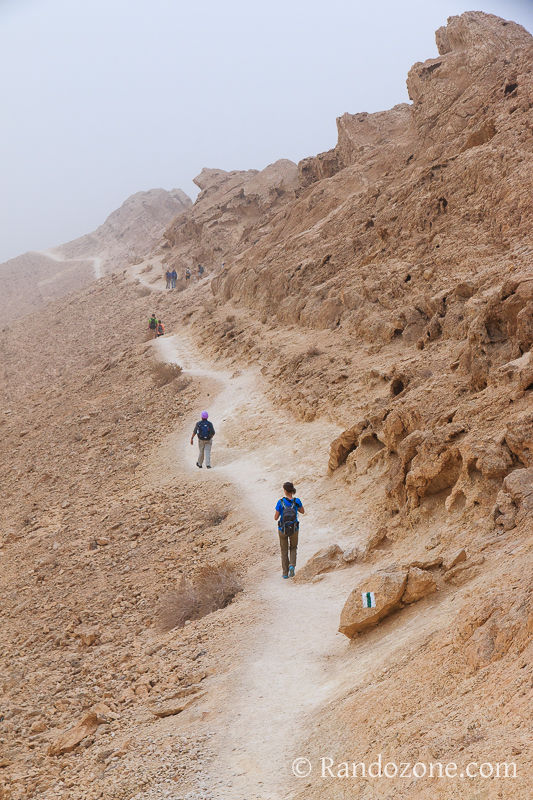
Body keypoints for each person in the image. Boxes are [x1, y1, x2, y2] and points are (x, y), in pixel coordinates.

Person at [274, 482, 305, 579]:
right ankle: (292, 565)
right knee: (293, 547)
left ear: (285, 490)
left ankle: (285, 573)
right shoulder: (297, 501)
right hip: (294, 528)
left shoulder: (280, 502)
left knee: (284, 551)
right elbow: (302, 511)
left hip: (282, 529)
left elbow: (275, 517)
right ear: (292, 490)